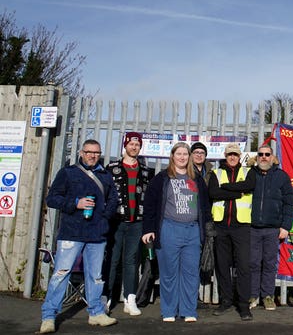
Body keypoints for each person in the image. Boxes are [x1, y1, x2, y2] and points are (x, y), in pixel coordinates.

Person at [40, 139, 119, 334]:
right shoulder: (68, 173)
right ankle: (49, 316)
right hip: (72, 232)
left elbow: (113, 200)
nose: (92, 155)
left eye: (96, 152)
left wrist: (104, 218)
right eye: (89, 152)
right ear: (81, 152)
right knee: (60, 274)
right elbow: (52, 199)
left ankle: (96, 313)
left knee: (95, 276)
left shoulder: (105, 176)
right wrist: (76, 203)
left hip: (97, 234)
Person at [141, 142, 211, 322]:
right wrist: (148, 229)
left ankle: (188, 311)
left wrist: (206, 229)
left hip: (192, 231)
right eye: (178, 154)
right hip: (169, 229)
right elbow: (149, 205)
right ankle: (169, 311)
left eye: (185, 154)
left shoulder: (197, 179)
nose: (182, 157)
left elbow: (205, 206)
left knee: (190, 272)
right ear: (172, 156)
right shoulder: (162, 178)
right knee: (169, 272)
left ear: (189, 157)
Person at [221, 145, 293, 311]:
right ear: (257, 157)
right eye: (260, 154)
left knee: (269, 263)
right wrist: (223, 186)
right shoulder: (250, 174)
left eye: (267, 154)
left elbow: (289, 203)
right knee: (252, 263)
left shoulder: (281, 177)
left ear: (272, 157)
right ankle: (252, 295)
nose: (264, 157)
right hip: (252, 227)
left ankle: (267, 296)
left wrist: (285, 226)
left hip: (273, 228)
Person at [103, 132, 155, 316]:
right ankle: (106, 297)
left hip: (137, 223)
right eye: (131, 144)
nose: (134, 147)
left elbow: (150, 201)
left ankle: (130, 298)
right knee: (112, 260)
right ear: (125, 145)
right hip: (116, 222)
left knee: (131, 261)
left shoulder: (146, 171)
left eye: (137, 145)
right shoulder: (111, 168)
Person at [208, 143, 253, 321]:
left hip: (242, 226)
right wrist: (236, 192)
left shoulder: (248, 173)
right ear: (225, 157)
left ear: (239, 156)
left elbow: (249, 187)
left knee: (243, 266)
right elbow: (213, 193)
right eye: (229, 155)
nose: (232, 157)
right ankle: (225, 301)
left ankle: (243, 305)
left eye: (235, 154)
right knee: (222, 265)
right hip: (221, 226)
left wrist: (225, 187)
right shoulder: (216, 173)